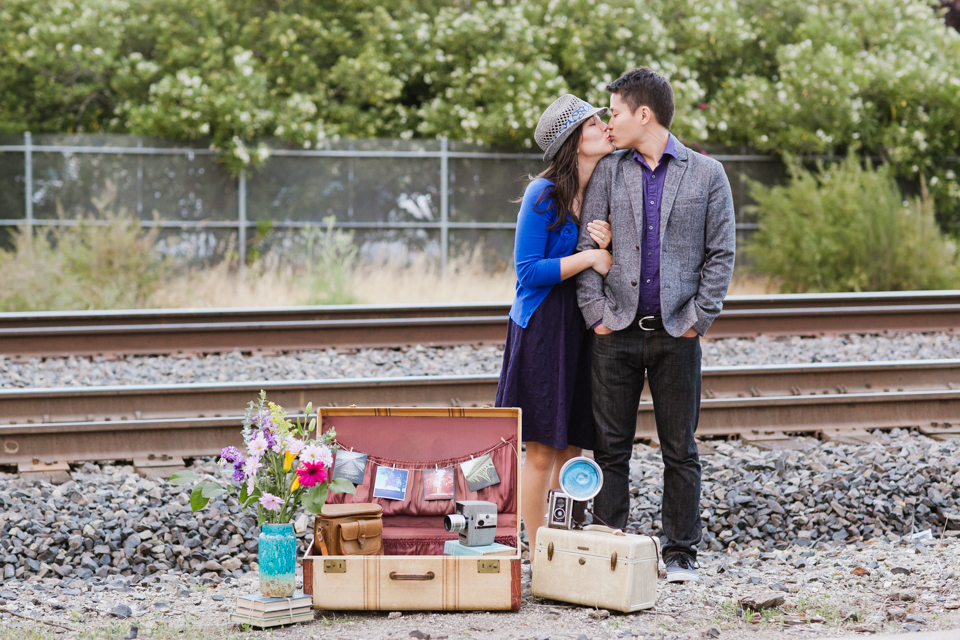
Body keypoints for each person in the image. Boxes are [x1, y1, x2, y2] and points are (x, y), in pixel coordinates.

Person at [576, 68, 736, 583]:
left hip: (676, 335)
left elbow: (721, 254)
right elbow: (586, 246)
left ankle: (681, 554)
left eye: (615, 112)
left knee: (680, 451)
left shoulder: (708, 175)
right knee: (610, 449)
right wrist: (596, 317)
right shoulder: (609, 170)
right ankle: (610, 548)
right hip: (615, 331)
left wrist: (696, 321)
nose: (609, 123)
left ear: (643, 114)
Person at [495, 94, 615, 559]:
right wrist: (588, 254)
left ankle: (566, 544)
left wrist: (604, 243)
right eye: (592, 124)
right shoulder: (543, 193)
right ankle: (536, 546)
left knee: (576, 447)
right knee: (543, 447)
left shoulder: (603, 185)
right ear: (572, 142)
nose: (604, 127)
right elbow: (527, 272)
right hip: (544, 325)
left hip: (583, 323)